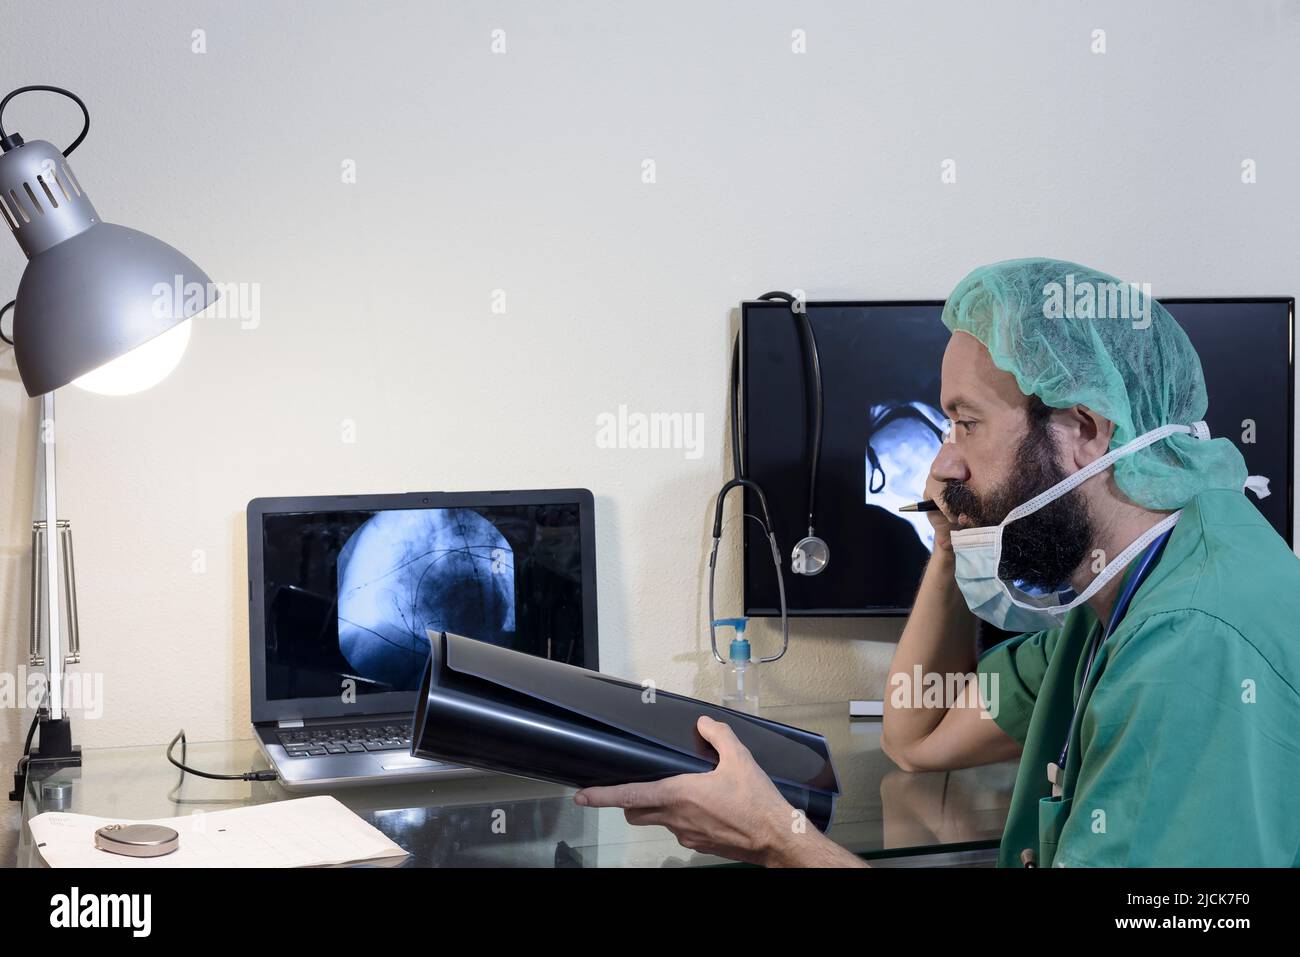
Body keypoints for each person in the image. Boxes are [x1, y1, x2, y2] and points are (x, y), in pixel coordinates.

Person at [575, 258, 1300, 867]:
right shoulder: (1125, 586)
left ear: (1083, 426)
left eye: (965, 422)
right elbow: (917, 735)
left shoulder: (1189, 641)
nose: (942, 460)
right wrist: (956, 538)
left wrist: (775, 836)